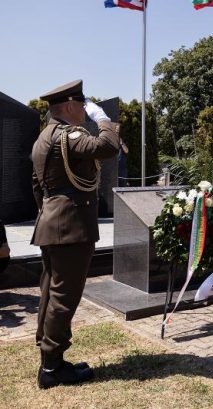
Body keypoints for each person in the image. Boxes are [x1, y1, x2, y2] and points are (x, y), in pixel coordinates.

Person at [31, 79, 120, 388]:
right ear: (70, 106)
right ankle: (53, 368)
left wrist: (51, 215)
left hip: (53, 224)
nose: (85, 110)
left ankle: (50, 356)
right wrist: (104, 119)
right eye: (82, 105)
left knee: (51, 292)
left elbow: (36, 185)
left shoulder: (45, 137)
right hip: (71, 227)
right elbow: (108, 147)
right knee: (64, 297)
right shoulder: (68, 136)